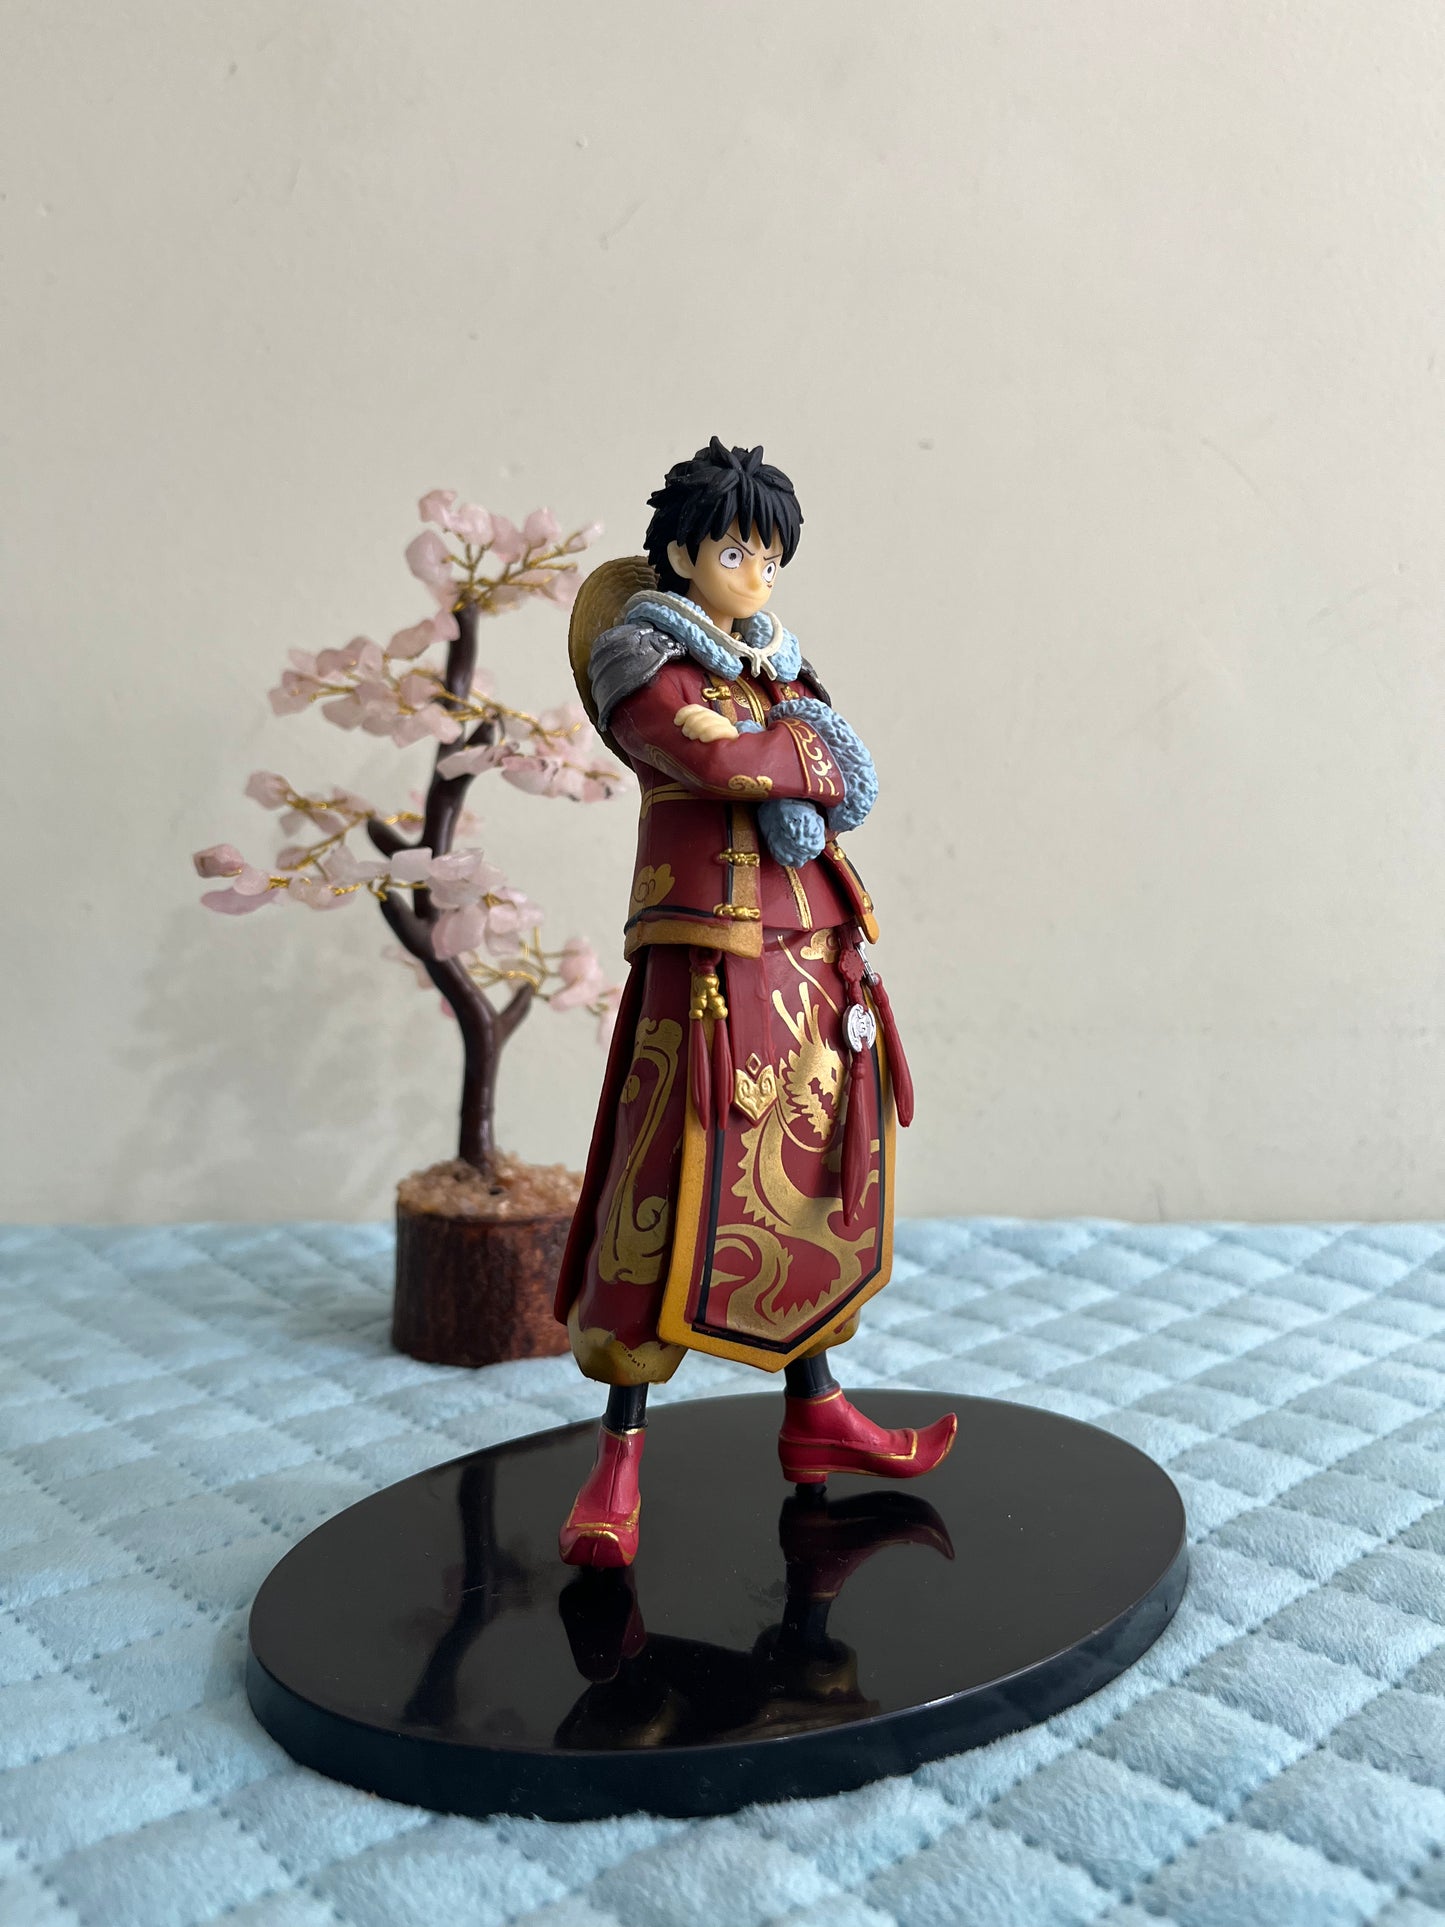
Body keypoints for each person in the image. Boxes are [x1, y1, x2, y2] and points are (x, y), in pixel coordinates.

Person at [554, 438, 956, 1566]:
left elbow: (824, 767)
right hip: (706, 958)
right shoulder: (639, 656)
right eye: (736, 550)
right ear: (683, 552)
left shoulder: (773, 664)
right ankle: (617, 1460)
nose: (757, 574)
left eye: (769, 556)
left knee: (814, 1174)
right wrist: (782, 752)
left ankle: (817, 1410)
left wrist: (769, 746)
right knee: (669, 1181)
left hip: (816, 944)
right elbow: (729, 770)